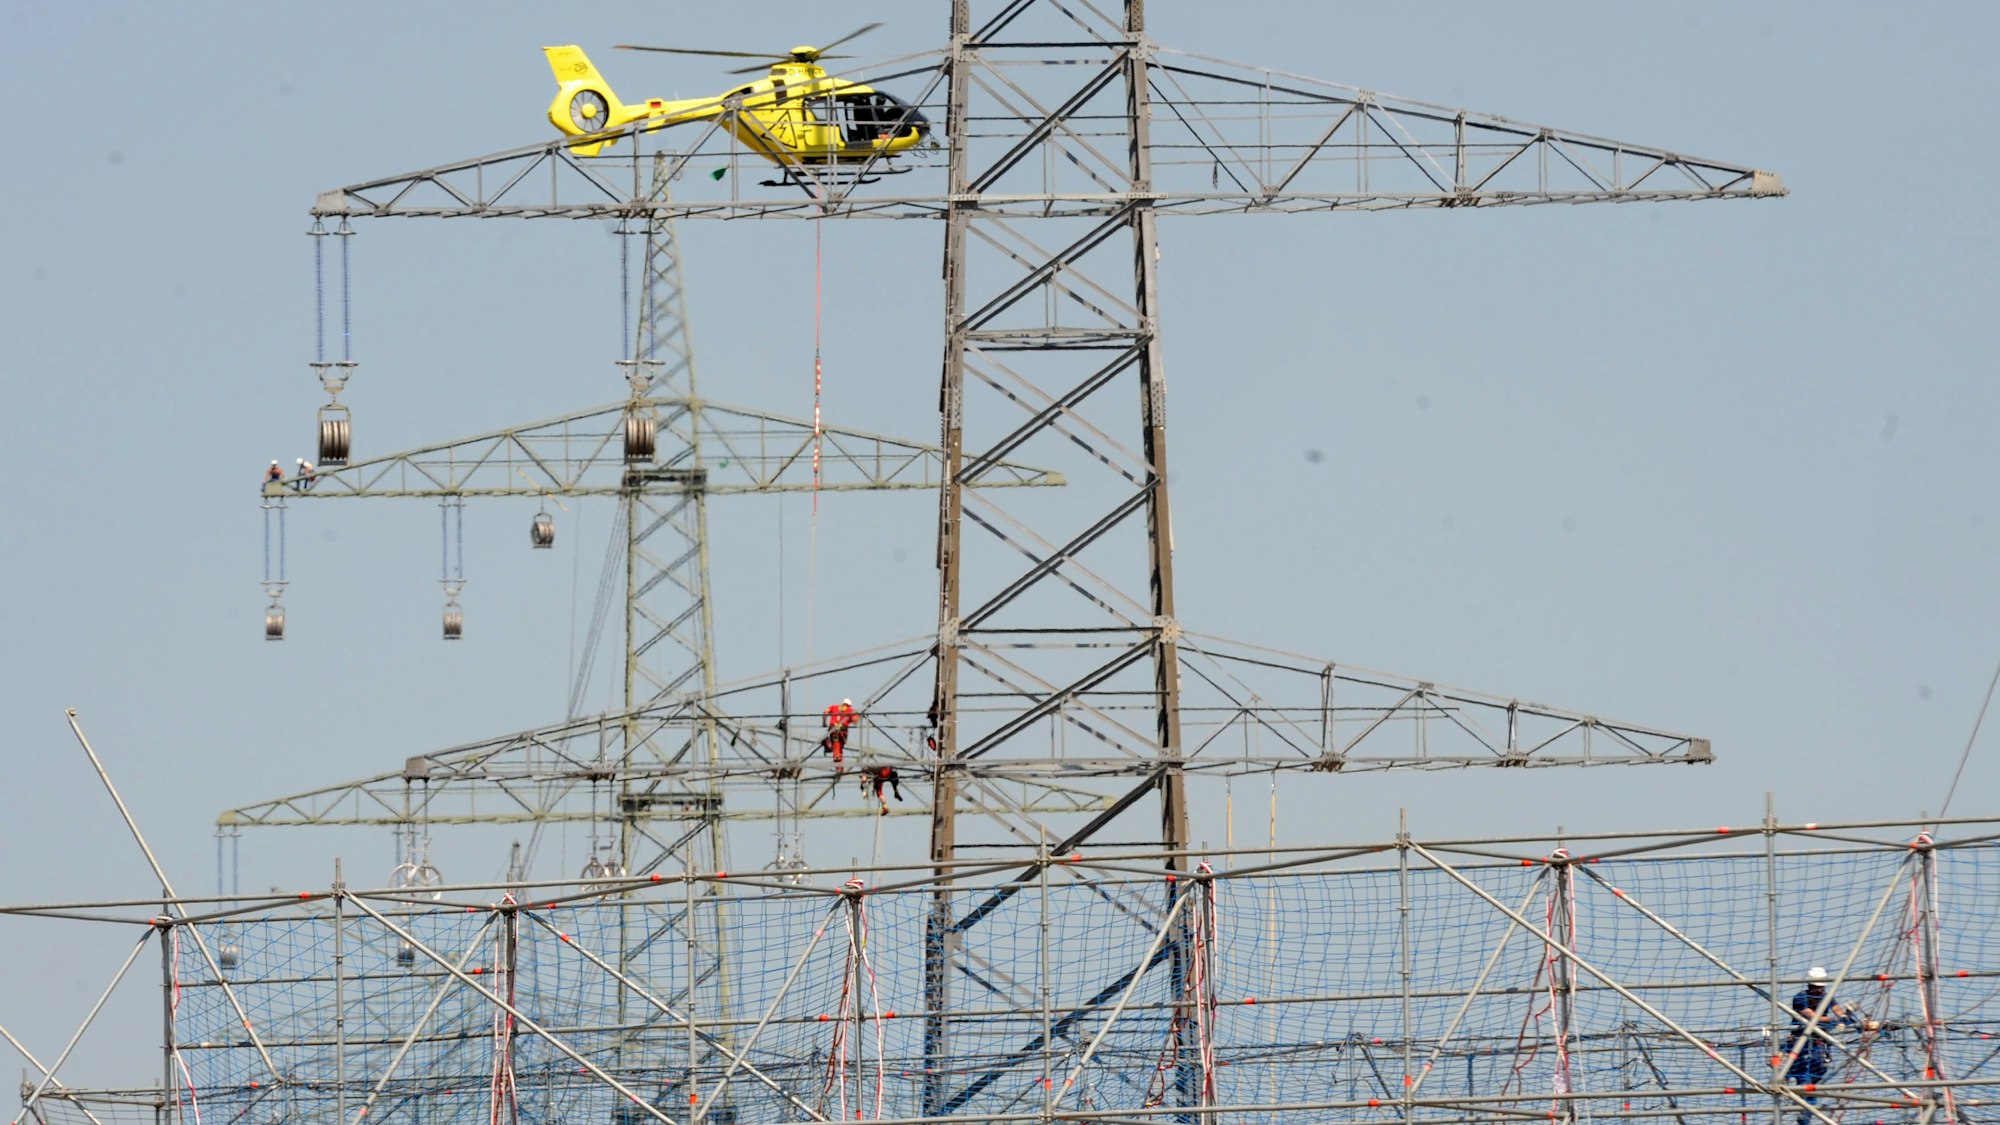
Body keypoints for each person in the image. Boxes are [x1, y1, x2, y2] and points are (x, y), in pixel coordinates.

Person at [1786, 966, 1878, 1124]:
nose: (1819, 991)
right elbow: (1813, 1017)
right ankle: (1803, 1106)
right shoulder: (1800, 998)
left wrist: (1846, 1016)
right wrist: (1837, 1020)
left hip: (1818, 1043)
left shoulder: (1826, 997)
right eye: (1816, 988)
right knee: (1803, 1075)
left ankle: (1806, 1104)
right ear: (1810, 986)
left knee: (1818, 1072)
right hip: (1800, 1043)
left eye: (1821, 988)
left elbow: (1837, 1010)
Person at [821, 698, 857, 771]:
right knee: (838, 747)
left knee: (836, 745)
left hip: (833, 729)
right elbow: (855, 720)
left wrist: (824, 723)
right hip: (842, 730)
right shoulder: (850, 710)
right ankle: (839, 766)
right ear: (849, 705)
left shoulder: (833, 707)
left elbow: (825, 712)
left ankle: (838, 765)